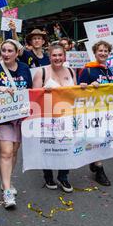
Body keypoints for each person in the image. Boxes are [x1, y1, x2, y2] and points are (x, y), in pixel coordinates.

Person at [0, 40, 33, 209]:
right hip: (2, 117)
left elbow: (31, 90)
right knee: (6, 152)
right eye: (3, 50)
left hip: (20, 117)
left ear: (17, 53)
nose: (6, 54)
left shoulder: (25, 69)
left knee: (13, 152)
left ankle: (7, 180)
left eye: (9, 51)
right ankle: (7, 191)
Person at [32, 44, 77, 193]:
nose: (57, 58)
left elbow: (75, 94)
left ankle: (63, 176)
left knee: (67, 147)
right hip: (47, 117)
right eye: (54, 55)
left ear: (64, 56)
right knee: (49, 147)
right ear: (49, 56)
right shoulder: (42, 72)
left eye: (60, 55)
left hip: (67, 117)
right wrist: (44, 92)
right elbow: (34, 97)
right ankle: (48, 175)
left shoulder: (71, 71)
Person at [78, 40, 113, 186]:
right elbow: (78, 90)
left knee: (103, 140)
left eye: (106, 51)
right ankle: (100, 169)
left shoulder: (112, 70)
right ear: (95, 53)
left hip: (108, 111)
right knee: (96, 139)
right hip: (92, 112)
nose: (103, 53)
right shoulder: (88, 70)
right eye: (100, 51)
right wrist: (90, 86)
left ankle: (94, 162)